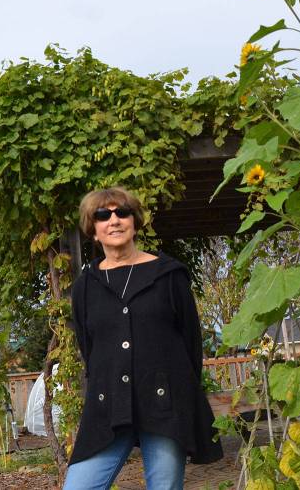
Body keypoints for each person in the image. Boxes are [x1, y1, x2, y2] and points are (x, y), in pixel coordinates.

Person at [63, 186, 223, 490]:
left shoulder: (169, 275)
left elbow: (191, 343)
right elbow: (89, 347)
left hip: (165, 403)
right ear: (93, 230)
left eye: (122, 212)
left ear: (135, 222)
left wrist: (181, 396)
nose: (114, 220)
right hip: (108, 405)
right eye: (103, 215)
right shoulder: (86, 286)